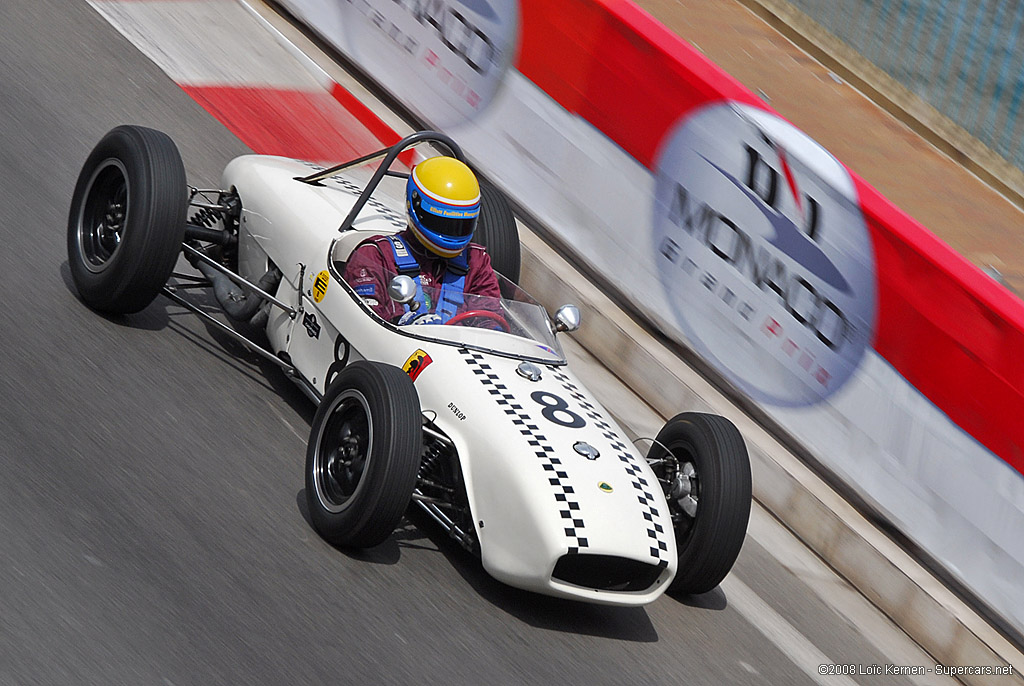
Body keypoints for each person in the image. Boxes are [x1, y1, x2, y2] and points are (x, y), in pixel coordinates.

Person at [344, 156, 502, 325]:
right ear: (415, 206)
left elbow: (491, 323)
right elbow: (361, 324)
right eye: (442, 223)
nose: (451, 233)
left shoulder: (476, 262)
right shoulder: (375, 256)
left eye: (461, 225)